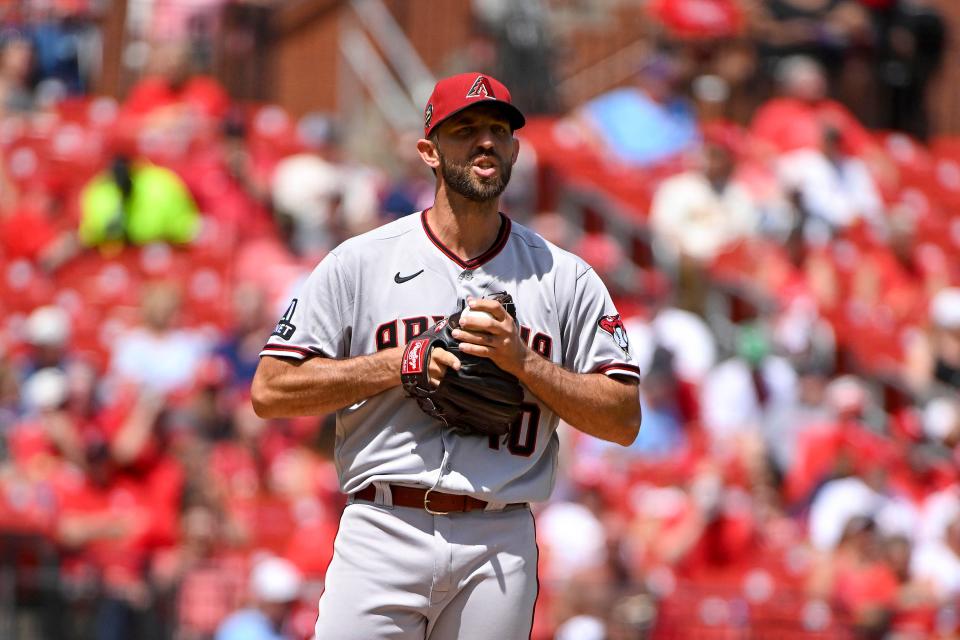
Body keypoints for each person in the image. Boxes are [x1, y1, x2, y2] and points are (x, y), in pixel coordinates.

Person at [251, 72, 641, 639]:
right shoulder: (362, 262)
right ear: (429, 151)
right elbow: (270, 389)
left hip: (498, 536)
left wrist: (524, 363)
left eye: (498, 130)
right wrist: (402, 363)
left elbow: (624, 418)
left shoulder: (565, 277)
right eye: (465, 130)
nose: (485, 141)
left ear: (513, 149)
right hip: (384, 523)